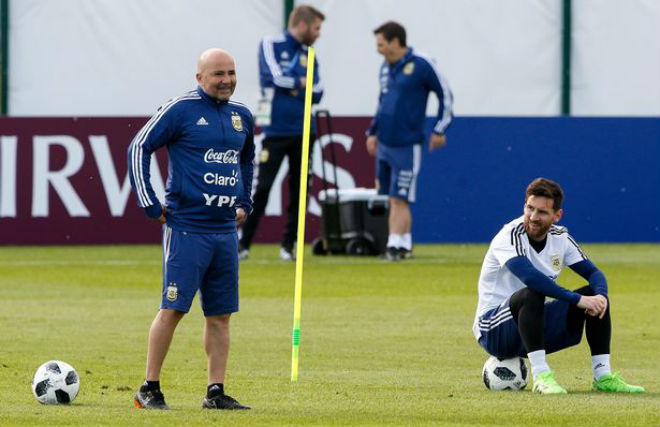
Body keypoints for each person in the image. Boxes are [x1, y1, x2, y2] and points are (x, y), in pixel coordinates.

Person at [127, 48, 254, 410]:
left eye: (231, 72)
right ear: (200, 78)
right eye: (218, 74)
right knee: (173, 309)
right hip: (187, 229)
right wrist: (149, 203)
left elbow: (246, 161)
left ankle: (215, 391)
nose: (226, 79)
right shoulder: (180, 110)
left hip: (225, 231)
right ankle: (149, 387)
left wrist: (244, 202)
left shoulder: (241, 116)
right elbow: (139, 147)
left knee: (220, 314)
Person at [473, 177, 645, 395]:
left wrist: (599, 296)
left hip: (530, 323)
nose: (533, 217)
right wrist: (577, 300)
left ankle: (602, 376)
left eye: (542, 212)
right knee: (533, 292)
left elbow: (594, 273)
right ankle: (542, 376)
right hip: (493, 329)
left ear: (557, 215)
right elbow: (531, 278)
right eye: (529, 208)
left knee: (594, 293)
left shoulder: (560, 237)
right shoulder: (509, 235)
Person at [238, 4, 325, 261]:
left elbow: (318, 92)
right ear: (302, 24)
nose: (319, 34)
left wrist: (297, 84)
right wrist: (300, 82)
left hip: (305, 131)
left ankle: (289, 245)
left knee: (300, 192)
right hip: (275, 130)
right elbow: (273, 78)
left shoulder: (310, 54)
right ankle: (244, 244)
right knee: (262, 188)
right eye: (317, 28)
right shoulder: (271, 44)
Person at [365, 21, 453, 261]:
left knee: (399, 196)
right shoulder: (385, 67)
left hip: (407, 144)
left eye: (380, 44)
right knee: (390, 195)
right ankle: (404, 244)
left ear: (395, 42)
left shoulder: (421, 63)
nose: (378, 49)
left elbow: (445, 94)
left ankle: (393, 245)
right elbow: (381, 102)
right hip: (384, 142)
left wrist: (440, 128)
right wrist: (372, 132)